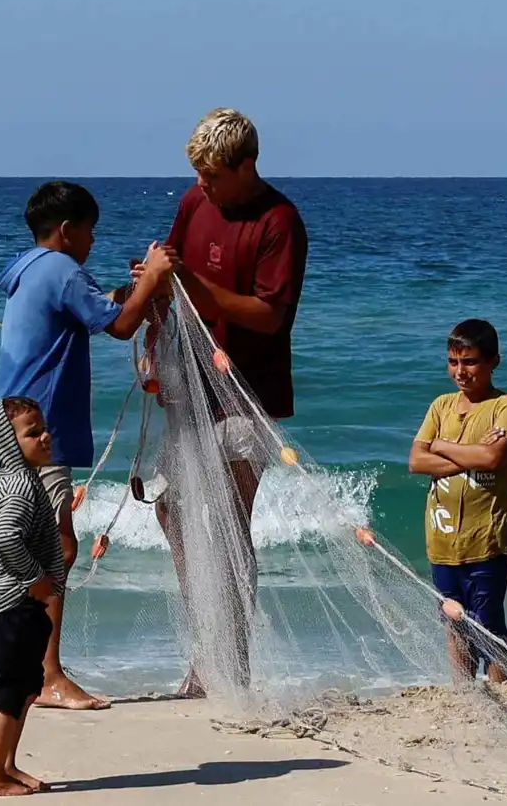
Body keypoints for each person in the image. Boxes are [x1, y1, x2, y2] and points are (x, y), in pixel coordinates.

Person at [0, 180, 178, 710]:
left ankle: (25, 669)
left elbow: (102, 307)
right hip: (39, 432)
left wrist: (135, 289)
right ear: (68, 229)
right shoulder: (61, 269)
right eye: (91, 231)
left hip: (10, 425)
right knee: (58, 549)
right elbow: (120, 326)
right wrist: (154, 278)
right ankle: (46, 675)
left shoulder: (31, 268)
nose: (94, 241)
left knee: (35, 547)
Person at [153, 107, 308, 698]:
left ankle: (233, 664)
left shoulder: (279, 221)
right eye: (198, 173)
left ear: (246, 165)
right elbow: (170, 274)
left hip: (247, 392)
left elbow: (269, 316)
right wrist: (149, 315)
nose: (202, 184)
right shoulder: (195, 201)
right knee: (171, 511)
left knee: (230, 524)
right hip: (188, 385)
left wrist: (199, 289)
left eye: (213, 175)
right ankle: (204, 650)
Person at [407, 319, 507, 684]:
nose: (460, 371)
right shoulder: (441, 406)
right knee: (453, 620)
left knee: (487, 624)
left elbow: (492, 458)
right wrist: (467, 455)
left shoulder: (505, 407)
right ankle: (464, 692)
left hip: (486, 538)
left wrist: (440, 445)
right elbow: (416, 461)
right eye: (453, 362)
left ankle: (502, 689)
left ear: (493, 361)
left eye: (470, 362)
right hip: (441, 539)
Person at [0, 397, 65, 796]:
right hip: (14, 610)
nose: (45, 436)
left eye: (44, 428)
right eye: (33, 432)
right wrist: (35, 579)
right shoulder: (20, 486)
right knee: (10, 694)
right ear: (8, 444)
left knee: (26, 688)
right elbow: (8, 539)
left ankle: (7, 765)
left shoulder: (21, 480)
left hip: (22, 610)